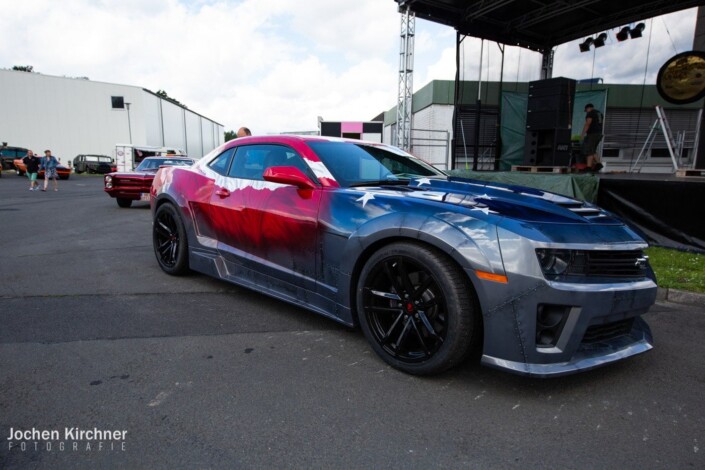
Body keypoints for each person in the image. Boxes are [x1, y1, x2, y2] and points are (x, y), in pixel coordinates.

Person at [581, 103, 604, 172]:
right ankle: (599, 164)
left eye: (586, 110)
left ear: (588, 108)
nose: (586, 112)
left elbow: (588, 123)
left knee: (589, 150)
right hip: (599, 134)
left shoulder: (590, 113)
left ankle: (588, 167)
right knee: (593, 149)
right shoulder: (599, 113)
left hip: (592, 134)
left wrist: (582, 134)